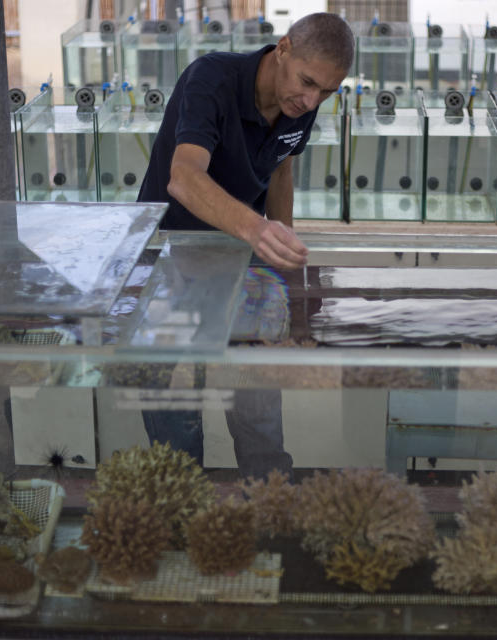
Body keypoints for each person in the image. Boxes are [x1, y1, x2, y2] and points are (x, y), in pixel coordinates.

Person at [137, 12, 354, 479]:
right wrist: (257, 229)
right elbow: (184, 178)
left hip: (241, 258)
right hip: (172, 253)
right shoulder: (210, 79)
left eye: (327, 92)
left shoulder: (303, 100)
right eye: (308, 82)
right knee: (177, 398)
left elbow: (281, 168)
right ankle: (182, 502)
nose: (312, 99)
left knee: (255, 391)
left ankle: (270, 498)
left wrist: (283, 258)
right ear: (283, 49)